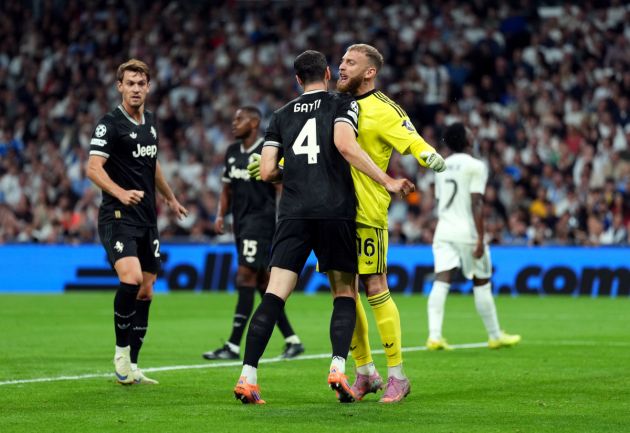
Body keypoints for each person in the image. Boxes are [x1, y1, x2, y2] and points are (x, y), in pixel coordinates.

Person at [233, 50, 414, 404]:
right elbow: (346, 146)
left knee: (273, 295)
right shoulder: (342, 104)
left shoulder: (281, 115)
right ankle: (338, 368)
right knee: (345, 292)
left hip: (293, 213)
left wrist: (296, 172)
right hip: (335, 211)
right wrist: (387, 180)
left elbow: (268, 171)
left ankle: (247, 376)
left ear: (297, 80)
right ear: (328, 74)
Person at [335, 43, 446, 403]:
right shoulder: (332, 104)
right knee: (343, 293)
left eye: (350, 63)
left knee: (374, 285)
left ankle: (398, 374)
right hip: (330, 212)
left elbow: (408, 136)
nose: (341, 67)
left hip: (367, 211)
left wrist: (425, 152)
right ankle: (365, 372)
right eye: (341, 61)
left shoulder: (383, 109)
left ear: (370, 72)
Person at [86, 59, 188, 384]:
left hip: (148, 218)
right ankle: (120, 353)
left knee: (146, 291)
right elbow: (92, 168)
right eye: (129, 83)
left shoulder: (152, 123)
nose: (135, 89)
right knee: (130, 278)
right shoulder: (109, 124)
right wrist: (120, 192)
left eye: (140, 83)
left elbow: (152, 164)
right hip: (117, 215)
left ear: (148, 87)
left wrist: (170, 198)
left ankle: (132, 365)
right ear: (120, 86)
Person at [202, 106, 304, 361]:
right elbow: (227, 189)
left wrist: (286, 217)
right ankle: (293, 340)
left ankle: (234, 345)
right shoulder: (232, 152)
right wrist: (219, 214)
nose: (234, 123)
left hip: (261, 223)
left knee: (245, 277)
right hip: (240, 224)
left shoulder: (267, 150)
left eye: (240, 119)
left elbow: (283, 185)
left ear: (255, 122)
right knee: (262, 283)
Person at [426, 122, 521, 350]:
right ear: (467, 140)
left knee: (442, 280)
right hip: (467, 232)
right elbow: (476, 202)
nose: (473, 134)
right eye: (470, 132)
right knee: (481, 281)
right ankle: (495, 335)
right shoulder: (476, 166)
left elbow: (441, 200)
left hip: (444, 230)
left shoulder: (441, 165)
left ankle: (434, 336)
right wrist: (480, 237)